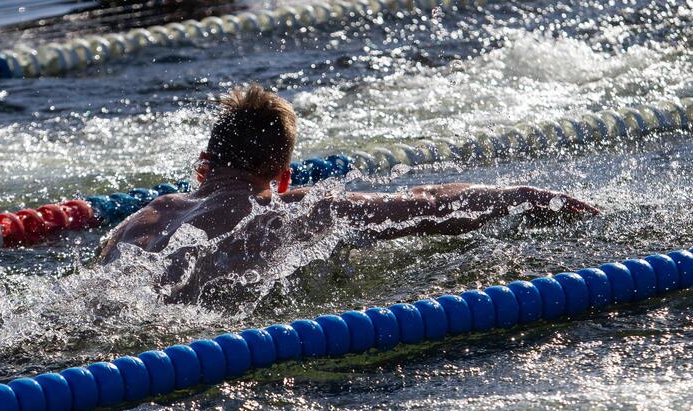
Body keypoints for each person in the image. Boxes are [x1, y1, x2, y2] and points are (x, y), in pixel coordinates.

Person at [100, 84, 598, 301]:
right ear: (284, 176)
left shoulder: (137, 221)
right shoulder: (289, 213)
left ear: (202, 166)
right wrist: (526, 194)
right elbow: (428, 206)